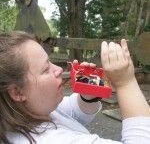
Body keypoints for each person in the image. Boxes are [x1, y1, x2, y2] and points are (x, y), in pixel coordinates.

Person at [0, 31, 150, 144]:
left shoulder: (27, 113)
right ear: (17, 92)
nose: (58, 69)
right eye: (45, 69)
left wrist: (88, 95)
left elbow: (72, 113)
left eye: (50, 61)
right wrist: (126, 82)